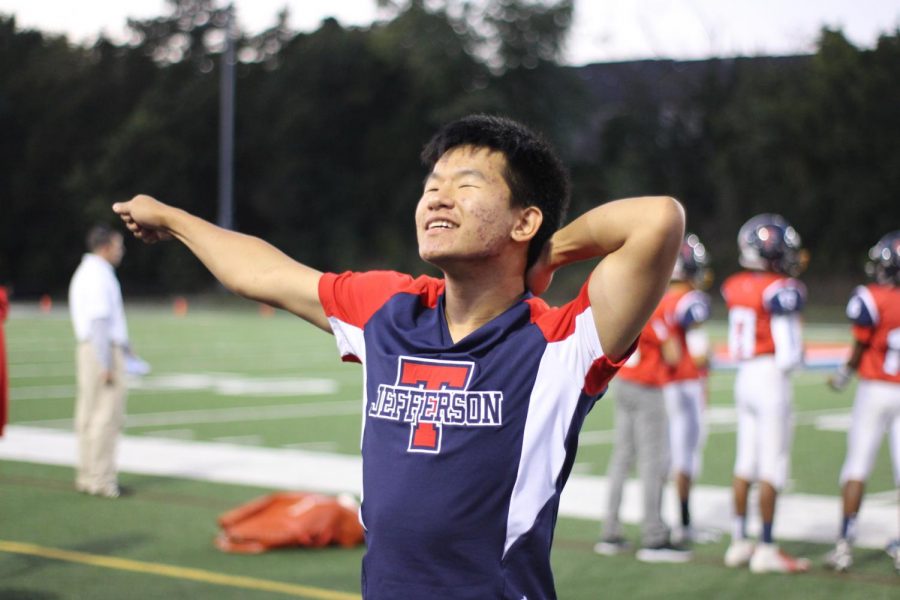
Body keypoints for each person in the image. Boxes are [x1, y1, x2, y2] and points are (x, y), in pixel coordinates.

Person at [114, 114, 684, 599]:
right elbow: (262, 273)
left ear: (524, 218)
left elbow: (657, 220)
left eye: (466, 185)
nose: (437, 196)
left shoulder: (563, 342)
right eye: (432, 184)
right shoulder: (389, 309)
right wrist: (171, 218)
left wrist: (548, 252)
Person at [593, 238, 707, 564]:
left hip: (624, 382)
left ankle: (610, 530)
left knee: (621, 459)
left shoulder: (630, 295)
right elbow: (672, 353)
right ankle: (654, 536)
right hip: (647, 387)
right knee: (652, 462)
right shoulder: (656, 303)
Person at [720, 214, 810, 574]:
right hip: (771, 375)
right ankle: (767, 547)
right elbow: (789, 354)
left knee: (745, 462)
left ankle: (739, 541)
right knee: (772, 466)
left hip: (744, 376)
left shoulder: (736, 284)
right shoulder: (781, 288)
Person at [824, 230, 900, 573]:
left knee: (857, 466)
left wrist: (843, 375)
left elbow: (859, 345)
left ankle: (844, 545)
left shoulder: (872, 297)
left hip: (874, 389)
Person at [68, 224, 143, 498]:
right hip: (101, 349)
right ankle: (102, 479)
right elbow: (100, 321)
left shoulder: (87, 272)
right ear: (106, 247)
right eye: (118, 245)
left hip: (91, 347)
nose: (121, 251)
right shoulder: (98, 275)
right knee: (106, 417)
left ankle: (87, 475)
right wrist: (107, 363)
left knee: (88, 415)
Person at [661, 234, 713, 546]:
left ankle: (673, 519)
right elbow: (698, 353)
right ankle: (683, 522)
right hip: (685, 385)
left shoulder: (659, 296)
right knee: (686, 457)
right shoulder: (690, 300)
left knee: (670, 456)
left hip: (662, 386)